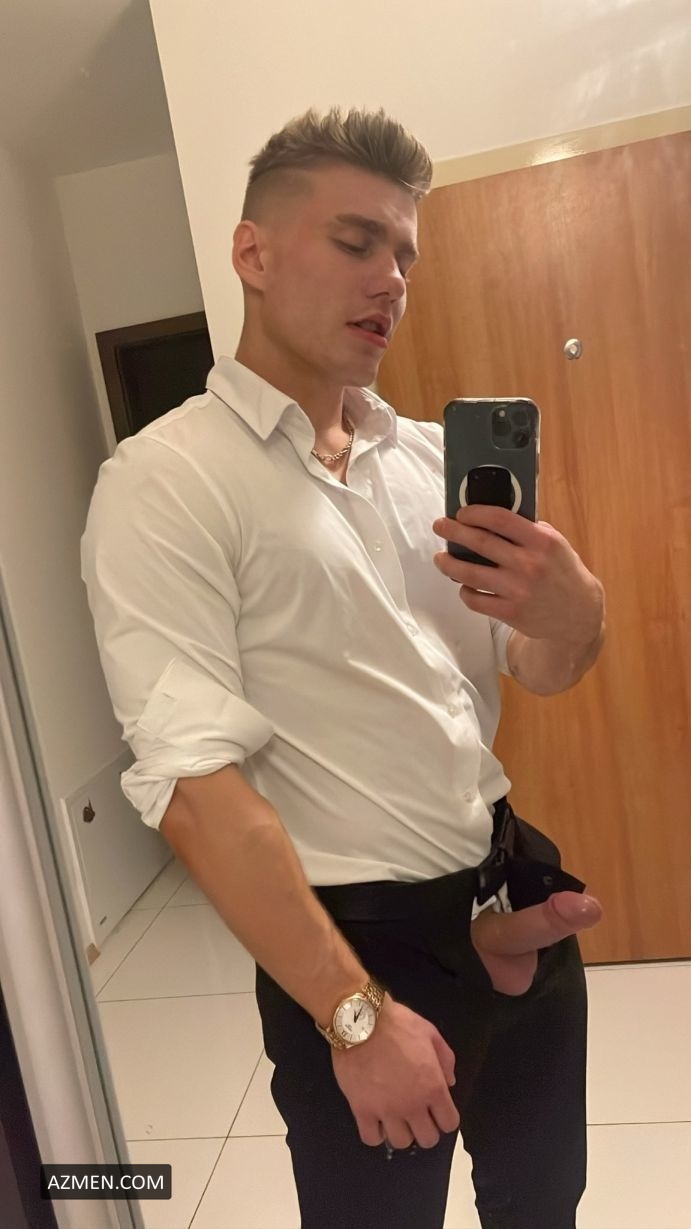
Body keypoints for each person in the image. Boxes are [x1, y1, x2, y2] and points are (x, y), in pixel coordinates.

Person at [80, 107, 606, 1229]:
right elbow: (194, 790)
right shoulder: (167, 481)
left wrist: (579, 616)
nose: (391, 280)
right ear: (254, 252)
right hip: (351, 955)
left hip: (507, 887)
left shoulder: (428, 462)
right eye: (357, 241)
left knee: (544, 1204)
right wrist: (354, 1016)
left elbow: (537, 668)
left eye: (405, 253)